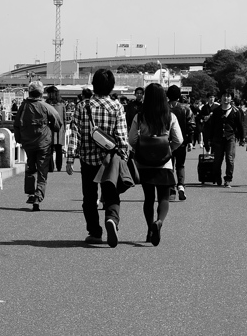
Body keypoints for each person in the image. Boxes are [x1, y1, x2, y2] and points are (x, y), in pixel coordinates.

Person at [67, 68, 130, 247]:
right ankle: (111, 219)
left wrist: (70, 158)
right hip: (110, 159)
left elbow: (75, 134)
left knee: (89, 197)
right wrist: (123, 155)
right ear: (112, 86)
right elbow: (122, 136)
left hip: (88, 159)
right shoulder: (117, 106)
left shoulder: (82, 106)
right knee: (111, 194)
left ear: (93, 84)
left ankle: (95, 232)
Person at [129, 84, 183, 246]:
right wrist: (168, 150)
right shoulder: (170, 116)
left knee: (148, 199)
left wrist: (142, 148)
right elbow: (179, 140)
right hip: (164, 164)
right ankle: (159, 222)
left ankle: (149, 230)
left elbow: (132, 140)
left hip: (145, 163)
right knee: (164, 197)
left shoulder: (140, 116)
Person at [15, 81, 61, 211]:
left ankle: (30, 193)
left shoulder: (23, 106)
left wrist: (19, 139)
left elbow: (17, 124)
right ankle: (38, 196)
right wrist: (52, 127)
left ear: (29, 92)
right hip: (43, 143)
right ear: (41, 93)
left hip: (28, 143)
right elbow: (57, 121)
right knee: (42, 171)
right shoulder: (45, 106)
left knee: (30, 168)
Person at [204, 91, 245, 187]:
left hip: (230, 137)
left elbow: (240, 126)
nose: (226, 98)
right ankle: (217, 177)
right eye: (224, 96)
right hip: (217, 138)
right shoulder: (216, 111)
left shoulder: (236, 111)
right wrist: (209, 139)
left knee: (229, 158)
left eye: (228, 96)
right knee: (217, 160)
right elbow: (212, 126)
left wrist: (242, 138)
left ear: (231, 99)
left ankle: (228, 179)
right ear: (221, 98)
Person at [167, 85, 194, 201]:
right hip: (181, 141)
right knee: (180, 165)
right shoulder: (186, 108)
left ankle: (171, 189)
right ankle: (181, 186)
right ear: (179, 96)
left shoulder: (164, 108)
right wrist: (190, 141)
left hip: (167, 143)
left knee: (169, 166)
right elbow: (191, 125)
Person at [45, 86, 66, 172]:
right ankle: (59, 167)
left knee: (49, 149)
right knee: (59, 149)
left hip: (50, 129)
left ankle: (51, 167)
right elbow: (64, 118)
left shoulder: (47, 104)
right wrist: (64, 128)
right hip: (60, 129)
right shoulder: (62, 104)